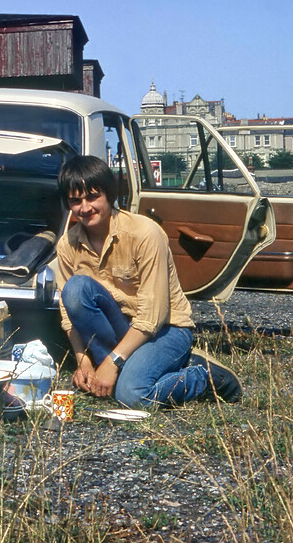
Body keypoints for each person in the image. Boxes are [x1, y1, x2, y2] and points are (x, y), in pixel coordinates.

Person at [55, 156, 240, 408]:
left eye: (92, 197)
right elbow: (69, 317)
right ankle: (138, 366)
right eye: (76, 201)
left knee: (132, 395)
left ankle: (203, 376)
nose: (85, 208)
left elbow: (152, 318)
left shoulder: (145, 233)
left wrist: (111, 363)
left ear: (110, 195)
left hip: (165, 330)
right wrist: (83, 361)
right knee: (75, 290)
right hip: (121, 329)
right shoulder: (68, 244)